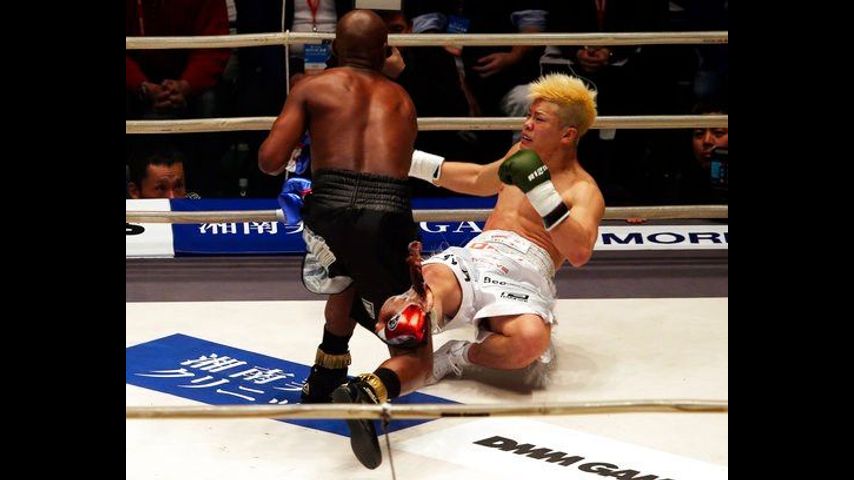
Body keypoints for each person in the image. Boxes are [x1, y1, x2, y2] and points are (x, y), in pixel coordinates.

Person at [258, 10, 434, 470]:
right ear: (385, 51)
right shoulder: (402, 100)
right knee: (418, 357)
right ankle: (368, 391)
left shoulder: (312, 87)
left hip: (328, 210)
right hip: (387, 214)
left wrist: (307, 139)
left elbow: (270, 160)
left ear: (334, 48)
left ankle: (325, 376)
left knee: (348, 271)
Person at [400, 72, 605, 387]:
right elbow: (478, 178)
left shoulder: (584, 190)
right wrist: (407, 160)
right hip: (480, 255)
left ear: (567, 134)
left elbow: (579, 252)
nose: (527, 124)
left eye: (539, 119)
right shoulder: (520, 154)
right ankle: (400, 367)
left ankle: (457, 355)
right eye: (528, 115)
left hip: (527, 274)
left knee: (529, 341)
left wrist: (541, 191)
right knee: (419, 301)